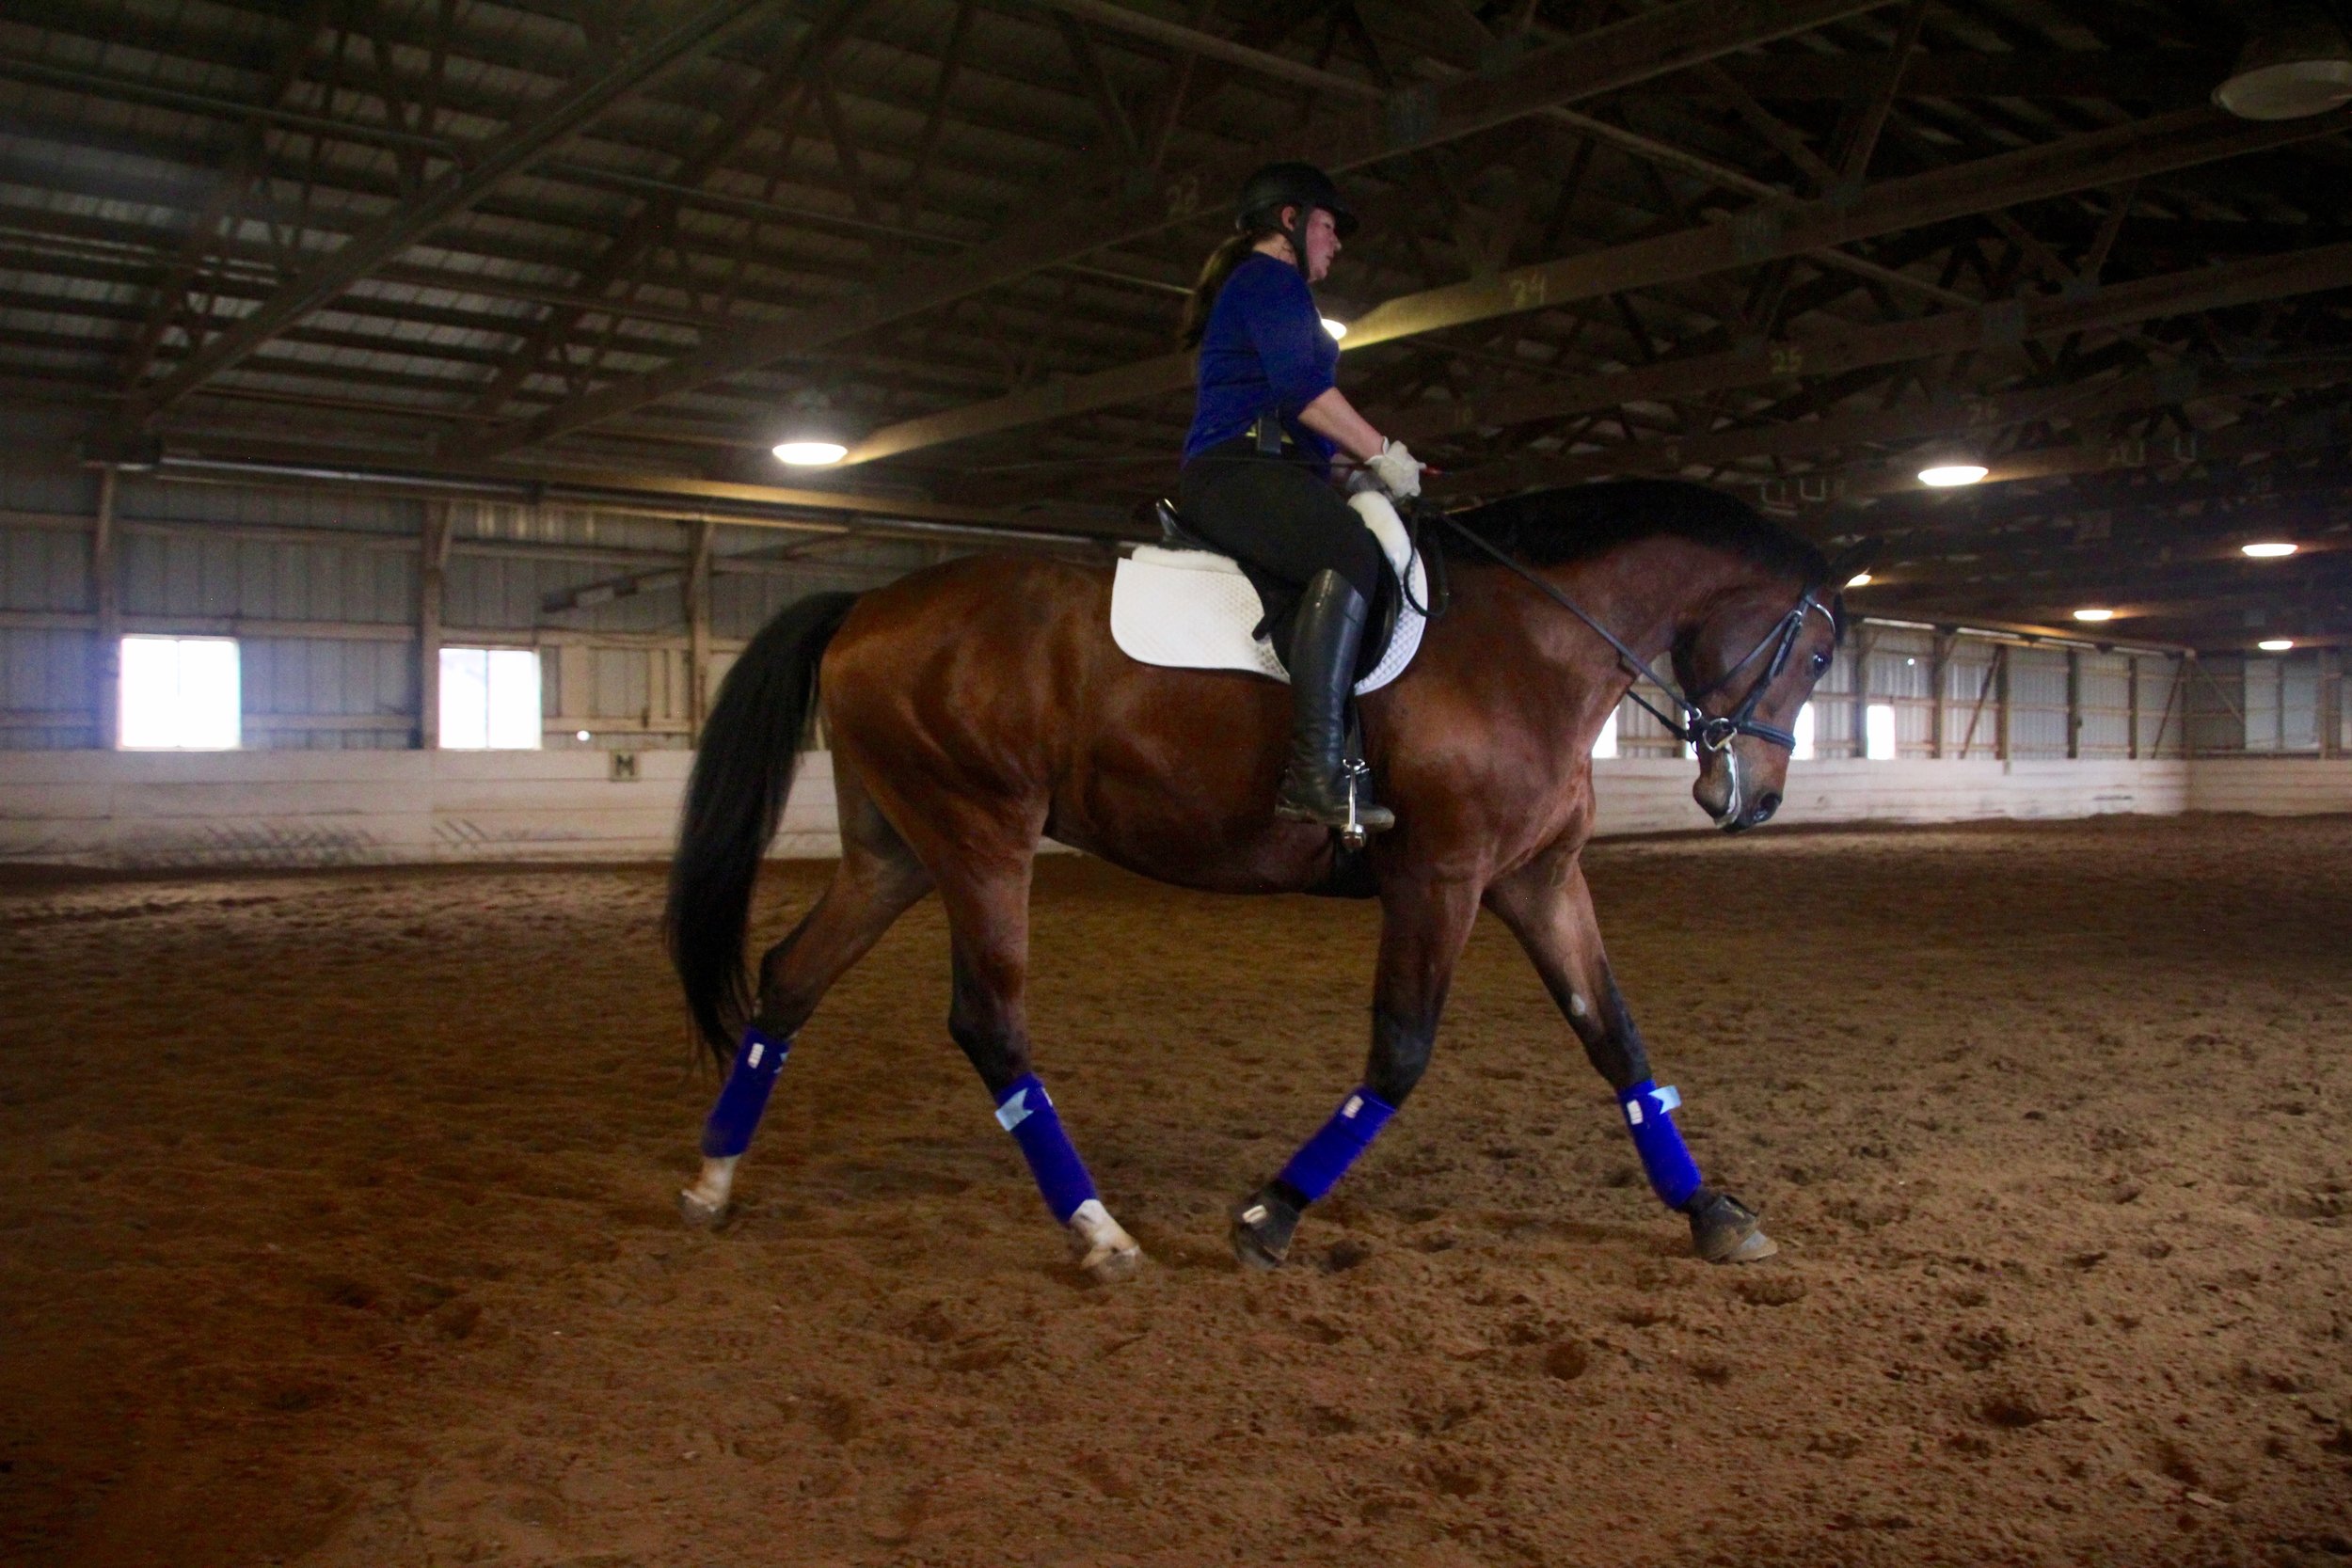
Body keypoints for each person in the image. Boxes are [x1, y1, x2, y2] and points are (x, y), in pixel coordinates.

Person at [1177, 162, 1422, 835]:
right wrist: (1381, 452)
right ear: (1289, 220)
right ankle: (1312, 772)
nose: (1337, 242)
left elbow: (1303, 423)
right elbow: (1305, 393)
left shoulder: (1272, 290)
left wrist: (1359, 471)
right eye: (1328, 226)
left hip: (1271, 471)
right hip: (1237, 474)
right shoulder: (1268, 280)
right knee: (1349, 550)